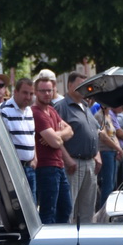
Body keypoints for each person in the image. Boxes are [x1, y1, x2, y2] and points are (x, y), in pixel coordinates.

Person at [55, 74, 102, 224]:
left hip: (90, 163)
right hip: (73, 163)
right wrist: (67, 159)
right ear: (69, 85)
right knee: (69, 208)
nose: (83, 88)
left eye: (85, 84)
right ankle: (65, 242)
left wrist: (97, 154)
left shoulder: (86, 106)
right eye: (80, 84)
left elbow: (94, 132)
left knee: (88, 209)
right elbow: (56, 138)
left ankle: (87, 241)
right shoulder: (61, 107)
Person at [31, 71, 72, 224]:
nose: (47, 94)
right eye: (43, 91)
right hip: (45, 167)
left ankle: (60, 241)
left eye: (50, 90)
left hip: (58, 166)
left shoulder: (52, 111)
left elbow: (70, 131)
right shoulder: (37, 113)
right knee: (48, 211)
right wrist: (58, 136)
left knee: (66, 208)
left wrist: (55, 134)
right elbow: (56, 143)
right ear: (36, 92)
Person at [0, 76, 37, 194]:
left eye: (31, 94)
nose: (28, 97)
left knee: (31, 208)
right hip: (13, 169)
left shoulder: (29, 110)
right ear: (15, 92)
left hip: (29, 167)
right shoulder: (3, 110)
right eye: (25, 93)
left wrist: (34, 157)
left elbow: (32, 135)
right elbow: (0, 141)